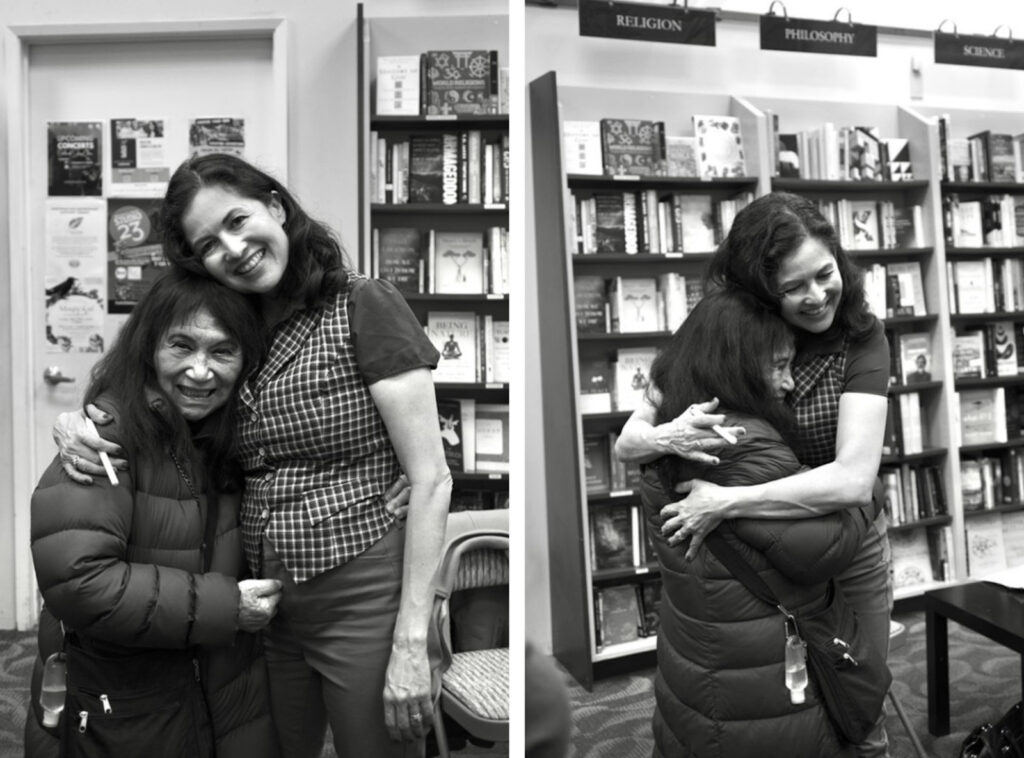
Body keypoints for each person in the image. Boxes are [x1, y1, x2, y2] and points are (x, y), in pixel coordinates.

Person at [55, 153, 452, 758]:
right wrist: (81, 418)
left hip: (363, 589)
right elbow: (155, 387)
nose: (234, 248)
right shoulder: (231, 326)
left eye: (238, 221)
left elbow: (430, 479)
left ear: (276, 206)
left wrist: (411, 639)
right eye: (210, 243)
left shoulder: (362, 304)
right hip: (261, 600)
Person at [615, 191, 893, 757]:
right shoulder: (727, 326)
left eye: (825, 273)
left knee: (856, 690)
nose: (817, 296)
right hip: (766, 546)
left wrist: (728, 502)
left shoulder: (861, 335)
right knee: (776, 698)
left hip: (843, 531)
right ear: (761, 291)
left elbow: (852, 483)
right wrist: (670, 434)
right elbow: (628, 442)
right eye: (794, 287)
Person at [27, 269, 280, 758]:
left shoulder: (239, 433)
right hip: (124, 703)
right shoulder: (106, 434)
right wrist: (226, 607)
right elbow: (80, 583)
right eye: (181, 347)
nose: (201, 371)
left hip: (219, 690)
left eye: (223, 352)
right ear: (148, 349)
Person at [638, 288, 870, 757]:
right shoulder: (748, 444)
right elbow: (827, 547)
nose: (789, 384)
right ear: (736, 366)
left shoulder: (667, 432)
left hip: (695, 656)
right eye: (779, 366)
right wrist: (866, 490)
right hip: (759, 689)